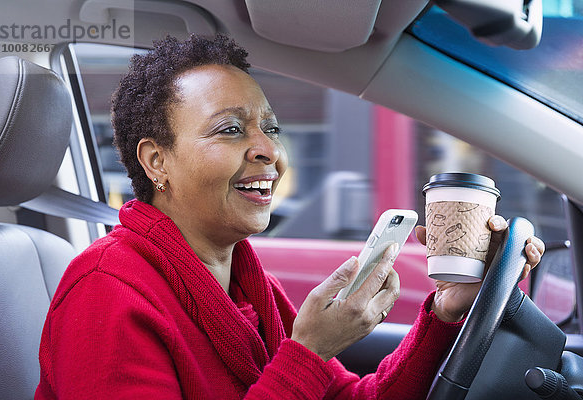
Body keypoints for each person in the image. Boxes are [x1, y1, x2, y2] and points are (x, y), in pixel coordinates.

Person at [35, 34, 545, 400]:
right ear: (156, 161)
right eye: (231, 130)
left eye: (271, 128)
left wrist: (446, 310)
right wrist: (308, 351)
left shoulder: (249, 284)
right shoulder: (106, 294)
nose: (268, 151)